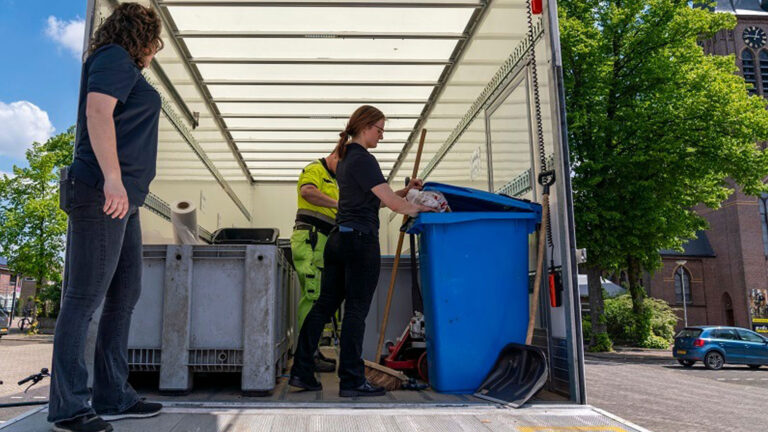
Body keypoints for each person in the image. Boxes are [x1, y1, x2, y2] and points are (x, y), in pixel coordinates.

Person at [48, 4, 164, 431]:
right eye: (155, 42)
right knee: (84, 298)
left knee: (124, 294)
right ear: (142, 36)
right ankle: (69, 406)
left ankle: (113, 392)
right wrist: (113, 179)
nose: (156, 50)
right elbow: (98, 112)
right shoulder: (114, 57)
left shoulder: (124, 67)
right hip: (101, 191)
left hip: (122, 198)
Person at [289, 105, 433, 397]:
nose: (381, 135)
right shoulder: (365, 159)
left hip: (338, 242)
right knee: (355, 311)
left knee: (324, 306)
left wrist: (404, 193)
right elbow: (392, 205)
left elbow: (376, 200)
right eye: (379, 129)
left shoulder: (346, 159)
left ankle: (302, 371)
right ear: (365, 126)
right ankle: (352, 380)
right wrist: (422, 206)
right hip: (360, 242)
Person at [291, 150, 340, 373]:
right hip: (310, 239)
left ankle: (313, 351)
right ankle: (306, 357)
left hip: (322, 243)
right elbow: (308, 192)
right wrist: (339, 205)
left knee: (321, 297)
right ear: (337, 156)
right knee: (312, 297)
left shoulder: (336, 180)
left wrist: (403, 193)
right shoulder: (315, 170)